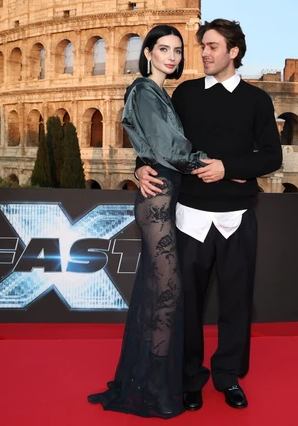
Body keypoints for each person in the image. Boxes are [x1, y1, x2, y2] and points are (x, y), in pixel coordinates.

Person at [135, 19, 283, 411]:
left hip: (238, 218)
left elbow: (272, 156)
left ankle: (228, 376)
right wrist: (139, 166)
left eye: (213, 46)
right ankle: (189, 378)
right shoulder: (184, 94)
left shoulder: (257, 100)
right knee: (187, 304)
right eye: (202, 46)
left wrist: (227, 168)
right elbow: (159, 140)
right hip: (190, 216)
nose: (204, 53)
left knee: (236, 302)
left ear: (234, 52)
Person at [87, 25, 207, 419]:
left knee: (157, 293)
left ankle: (147, 381)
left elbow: (150, 145)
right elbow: (168, 147)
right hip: (156, 204)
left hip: (164, 199)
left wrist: (141, 164)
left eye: (178, 50)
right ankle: (152, 387)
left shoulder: (159, 93)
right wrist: (208, 162)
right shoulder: (143, 89)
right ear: (149, 53)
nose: (172, 57)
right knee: (167, 292)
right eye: (164, 49)